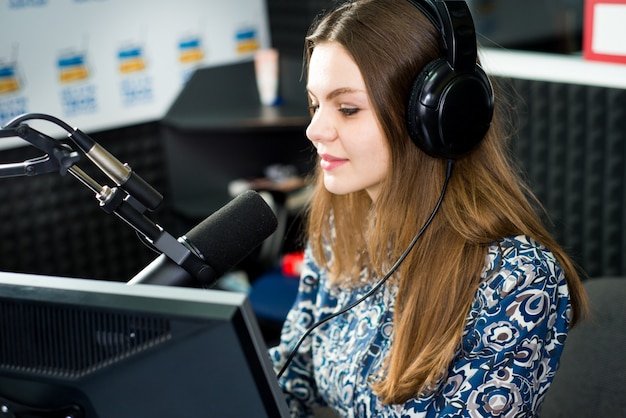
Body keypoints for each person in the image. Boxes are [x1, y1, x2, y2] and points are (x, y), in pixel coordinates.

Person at [269, 0, 589, 416]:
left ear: (433, 117)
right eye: (315, 104)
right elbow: (293, 376)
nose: (315, 130)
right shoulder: (339, 228)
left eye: (347, 109)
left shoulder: (514, 281)